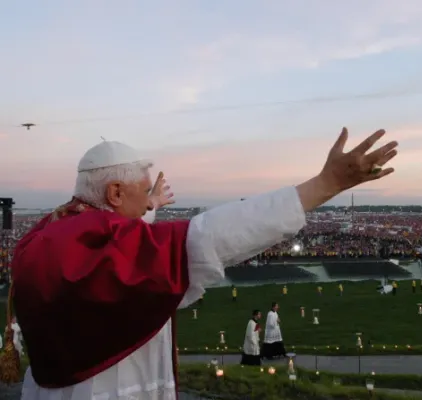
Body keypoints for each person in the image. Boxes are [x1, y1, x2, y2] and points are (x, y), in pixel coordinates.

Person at [6, 127, 397, 399]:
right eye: (143, 193)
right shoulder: (102, 246)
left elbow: (122, 248)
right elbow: (210, 237)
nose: (147, 203)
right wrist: (325, 184)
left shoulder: (49, 235)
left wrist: (150, 207)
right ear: (114, 191)